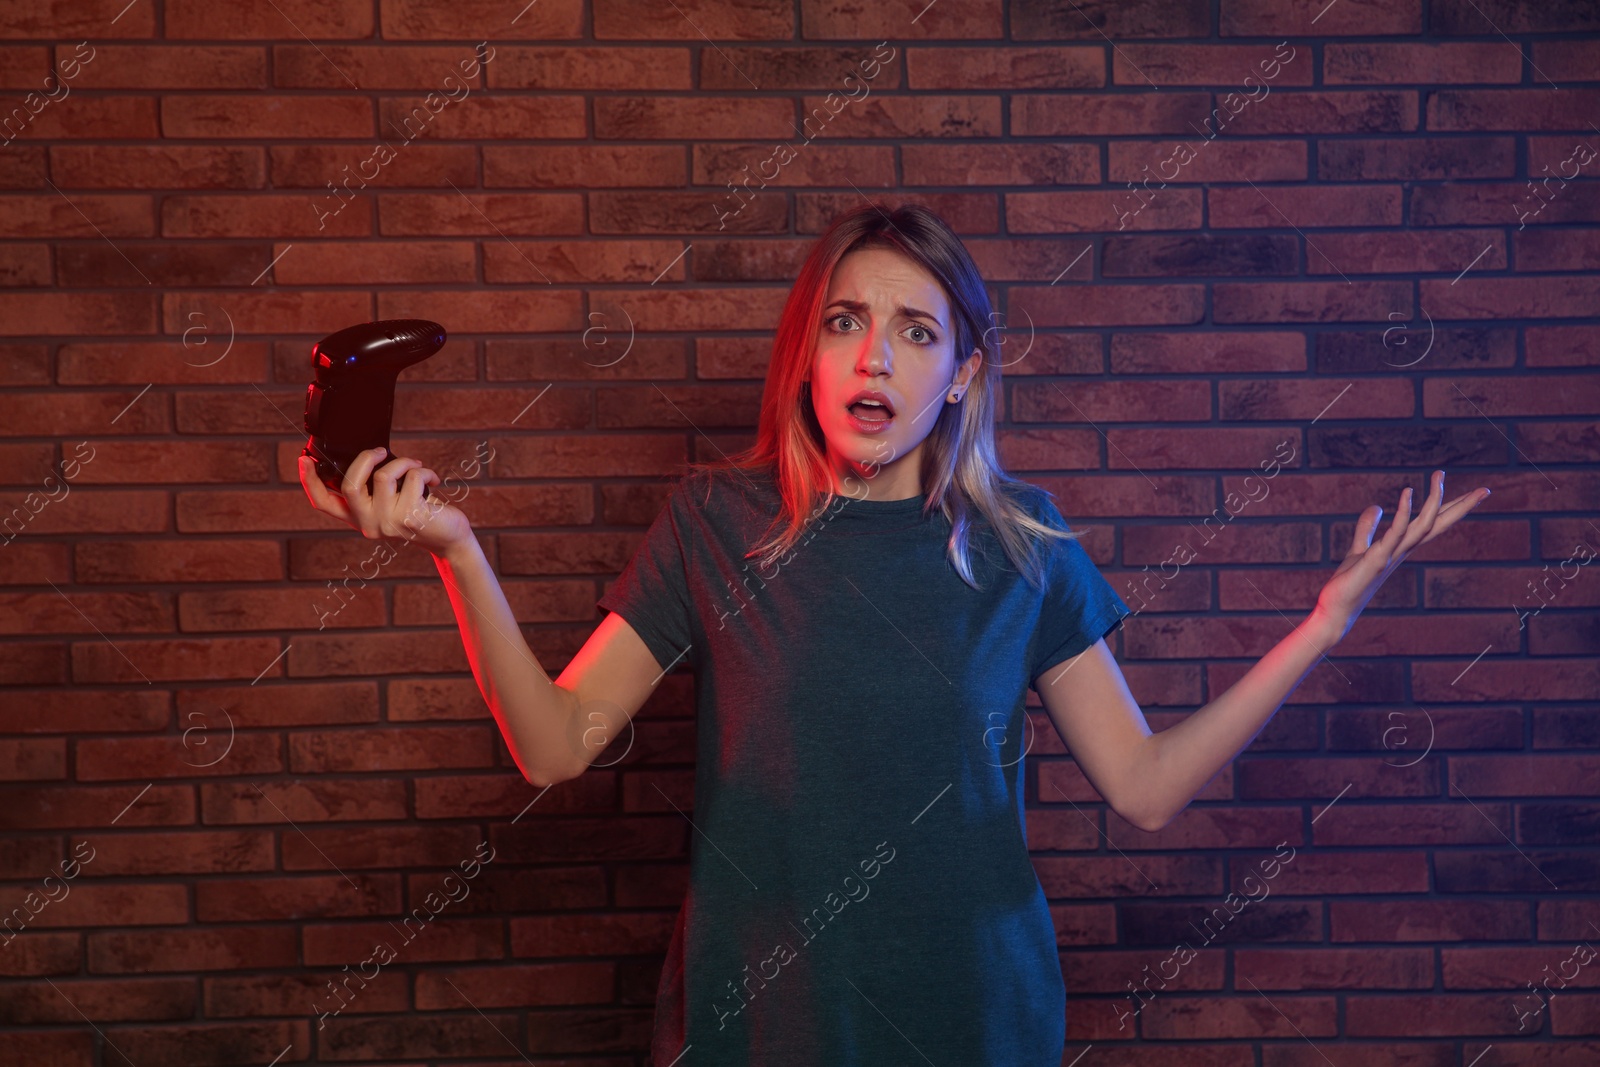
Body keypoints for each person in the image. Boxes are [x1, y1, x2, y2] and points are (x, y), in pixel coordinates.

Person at [298, 203, 1491, 1065]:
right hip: (760, 1020)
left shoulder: (1024, 542)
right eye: (845, 322)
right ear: (806, 354)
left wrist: (1319, 628)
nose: (875, 354)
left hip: (976, 1014)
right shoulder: (717, 522)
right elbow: (555, 745)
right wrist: (460, 550)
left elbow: (1145, 784)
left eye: (917, 330)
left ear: (963, 371)